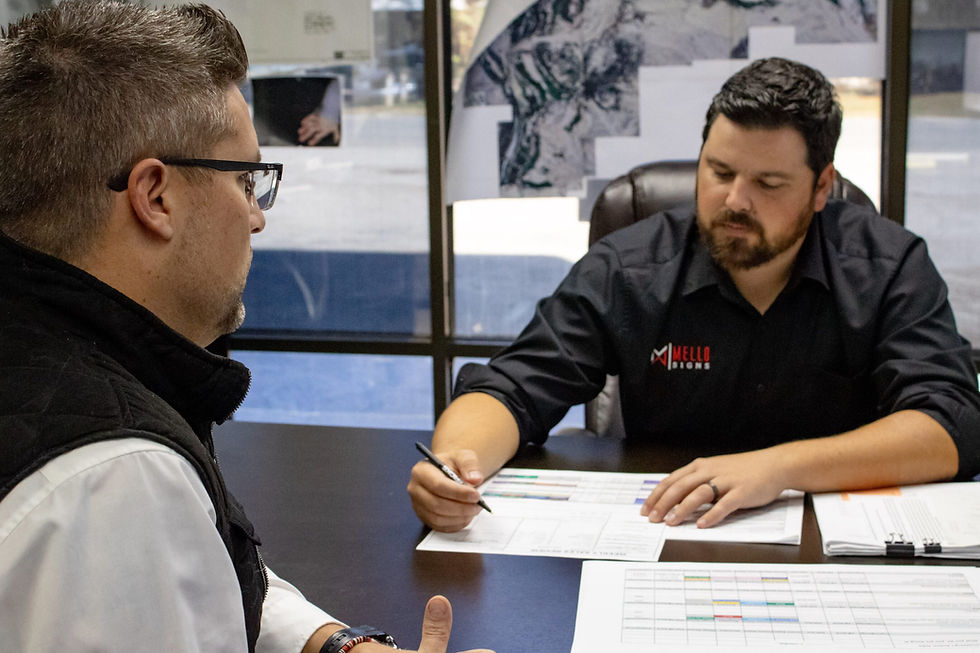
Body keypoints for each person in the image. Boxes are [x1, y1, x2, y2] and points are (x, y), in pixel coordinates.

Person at [0, 3, 492, 652]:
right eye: (246, 180)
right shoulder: (118, 478)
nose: (258, 218)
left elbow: (193, 574)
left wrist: (332, 641)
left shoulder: (52, 364)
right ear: (155, 196)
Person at [408, 56, 980, 533]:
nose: (735, 200)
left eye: (769, 183)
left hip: (833, 539)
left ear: (821, 187)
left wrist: (781, 467)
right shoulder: (631, 266)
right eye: (720, 171)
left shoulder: (887, 264)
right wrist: (459, 468)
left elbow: (951, 424)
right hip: (666, 530)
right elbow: (511, 388)